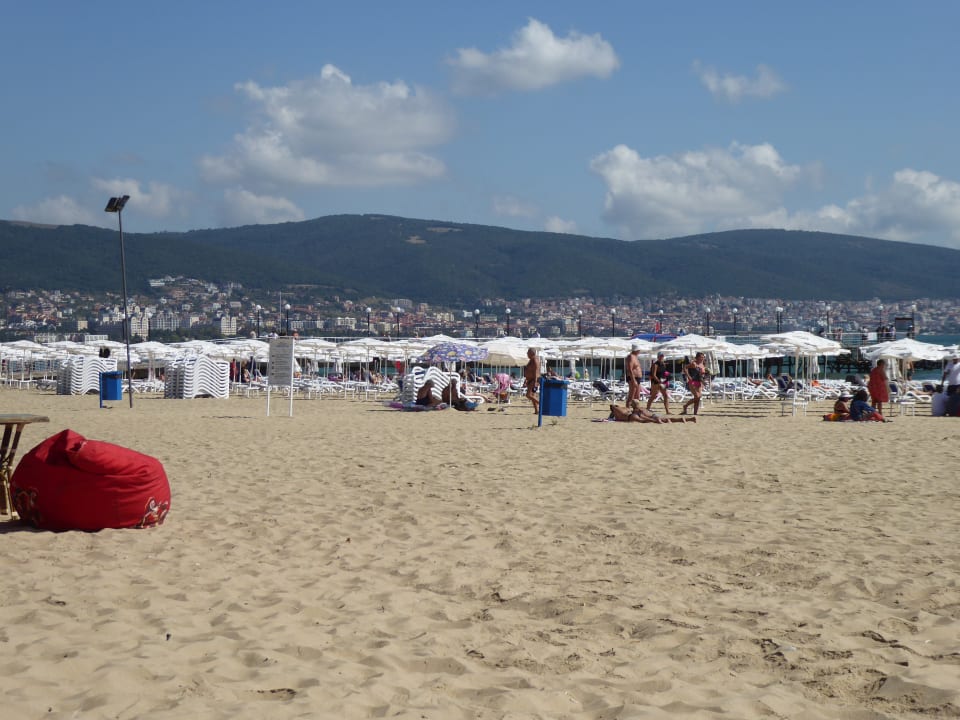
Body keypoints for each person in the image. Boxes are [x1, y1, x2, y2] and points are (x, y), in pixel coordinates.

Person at [608, 400, 695, 423]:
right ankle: (686, 419)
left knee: (644, 420)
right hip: (640, 413)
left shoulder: (619, 410)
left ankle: (657, 421)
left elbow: (612, 406)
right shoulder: (629, 408)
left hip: (631, 416)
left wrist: (615, 407)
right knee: (665, 418)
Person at [523, 347, 540, 414]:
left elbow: (536, 371)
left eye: (528, 352)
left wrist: (535, 382)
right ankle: (536, 410)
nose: (527, 354)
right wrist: (526, 380)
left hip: (534, 380)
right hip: (530, 380)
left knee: (529, 395)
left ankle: (542, 404)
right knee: (533, 395)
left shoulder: (535, 360)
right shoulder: (531, 360)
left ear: (531, 353)